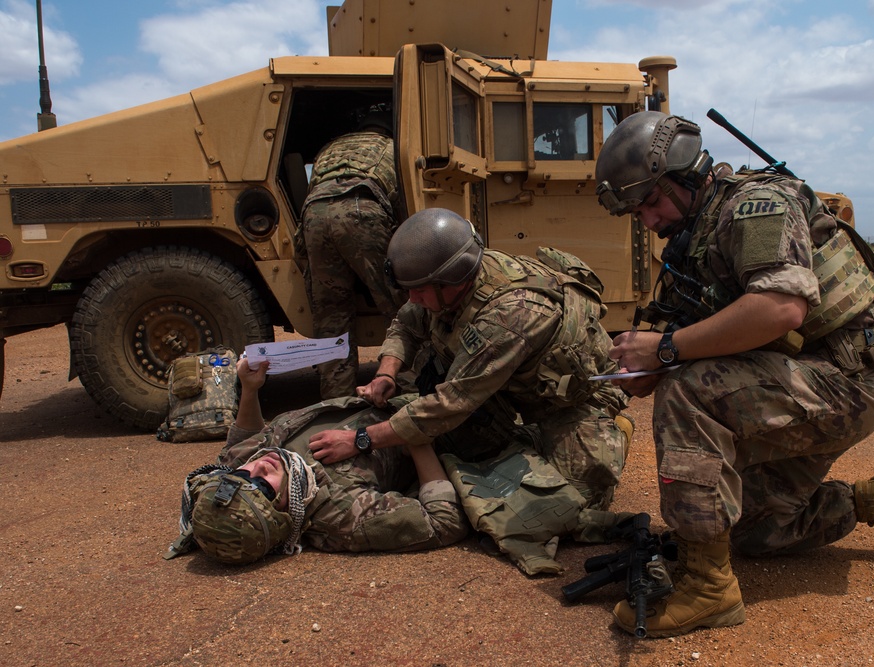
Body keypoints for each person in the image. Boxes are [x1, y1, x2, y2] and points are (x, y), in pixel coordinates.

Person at [592, 111, 874, 637]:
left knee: (689, 392)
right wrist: (646, 363)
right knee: (757, 531)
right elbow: (703, 333)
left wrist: (667, 353)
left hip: (849, 380)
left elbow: (780, 309)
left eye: (652, 202)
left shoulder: (754, 205)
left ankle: (707, 590)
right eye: (638, 212)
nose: (648, 221)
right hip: (805, 380)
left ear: (688, 175)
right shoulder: (691, 236)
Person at [303, 208, 635, 574]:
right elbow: (406, 323)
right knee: (465, 448)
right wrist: (387, 372)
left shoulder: (511, 314)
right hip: (509, 384)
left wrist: (361, 440)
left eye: (419, 291)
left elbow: (449, 404)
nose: (412, 298)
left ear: (452, 281)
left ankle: (610, 429)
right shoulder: (452, 274)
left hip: (573, 399)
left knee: (563, 511)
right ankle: (520, 438)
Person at [164, 358, 467, 564]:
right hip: (443, 409)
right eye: (261, 486)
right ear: (283, 515)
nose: (258, 466)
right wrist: (411, 431)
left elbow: (242, 442)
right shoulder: (342, 515)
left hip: (390, 391)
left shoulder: (247, 462)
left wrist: (250, 389)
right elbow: (442, 523)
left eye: (241, 476)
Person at [299, 106, 406, 399]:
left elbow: (312, 191)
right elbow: (403, 203)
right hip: (362, 209)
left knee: (332, 317)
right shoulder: (394, 147)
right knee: (402, 308)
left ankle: (336, 404)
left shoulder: (330, 148)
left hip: (314, 216)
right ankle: (410, 388)